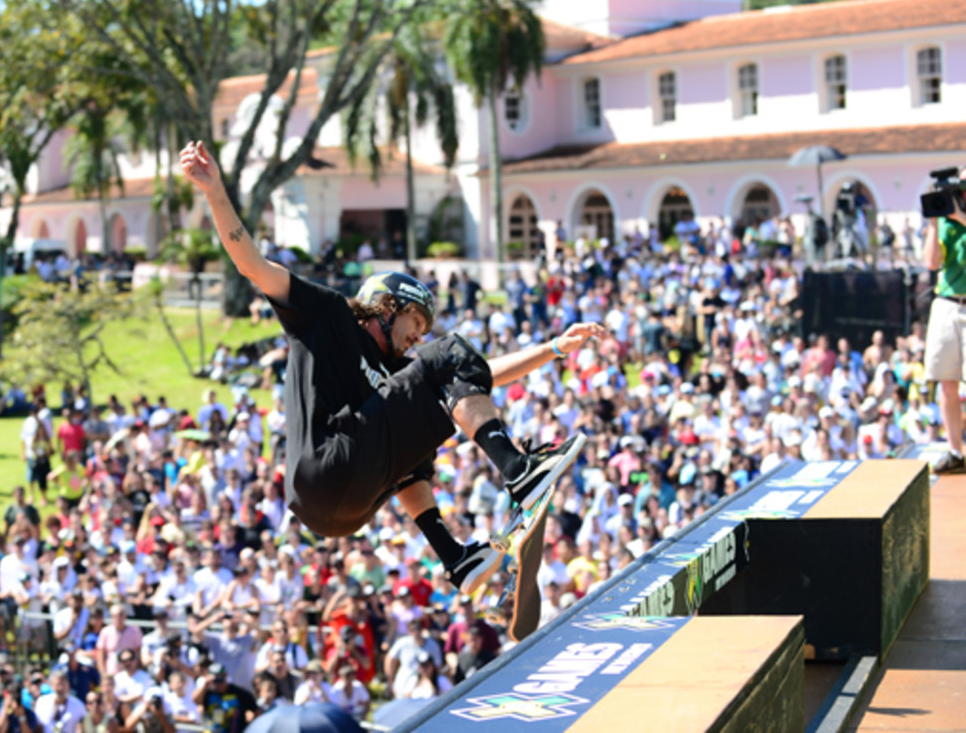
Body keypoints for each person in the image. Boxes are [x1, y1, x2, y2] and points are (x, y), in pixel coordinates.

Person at [180, 140, 603, 592]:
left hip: (342, 512)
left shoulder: (394, 374)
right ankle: (520, 473)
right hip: (323, 467)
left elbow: (480, 375)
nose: (418, 336)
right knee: (449, 353)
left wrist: (552, 349)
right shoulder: (327, 314)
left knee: (416, 440)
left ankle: (455, 558)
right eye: (414, 322)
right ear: (385, 306)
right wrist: (214, 192)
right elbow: (251, 264)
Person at [923, 186, 966, 473]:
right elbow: (932, 262)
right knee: (946, 382)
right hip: (947, 303)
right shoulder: (947, 224)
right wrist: (934, 223)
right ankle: (955, 451)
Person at [191, 664, 256, 733]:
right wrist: (205, 684)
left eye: (221, 678)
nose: (219, 683)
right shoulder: (207, 692)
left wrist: (250, 719)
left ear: (226, 676)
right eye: (216, 679)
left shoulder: (238, 692)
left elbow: (256, 711)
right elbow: (195, 700)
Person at [33, 668, 87, 733]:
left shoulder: (79, 705)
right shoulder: (42, 702)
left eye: (63, 684)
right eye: (57, 684)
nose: (60, 688)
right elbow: (38, 727)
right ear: (51, 686)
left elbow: (83, 727)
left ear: (68, 685)